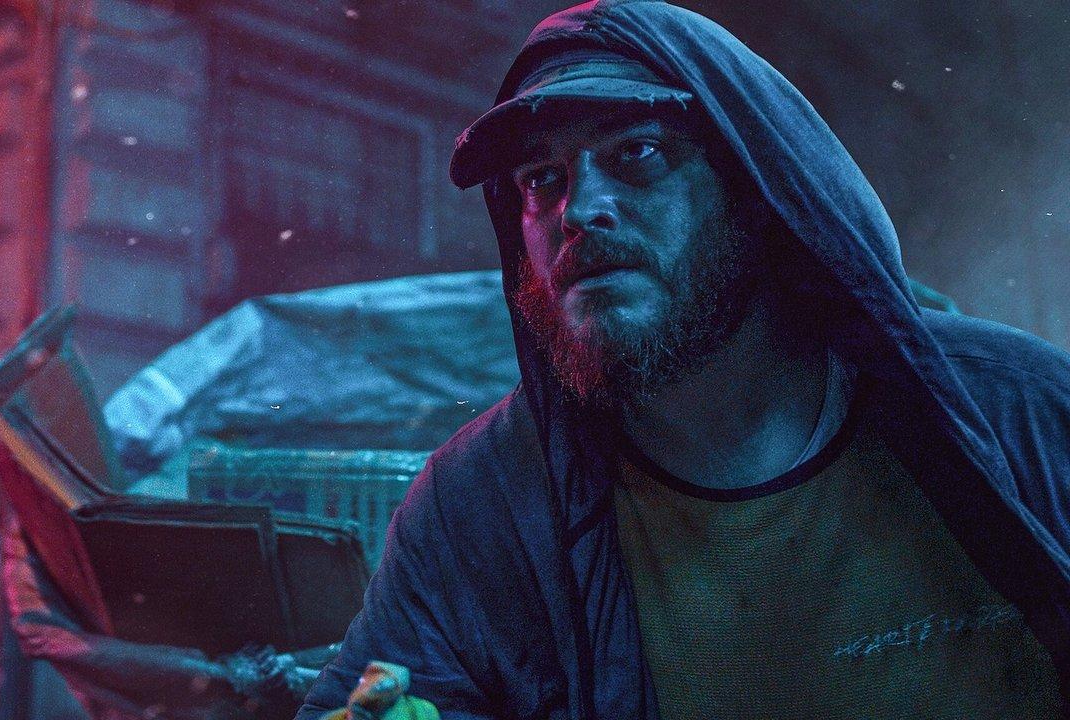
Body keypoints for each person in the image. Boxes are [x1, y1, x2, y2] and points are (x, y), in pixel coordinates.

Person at [297, 1, 1070, 718]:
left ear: (756, 191)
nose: (579, 209)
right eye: (542, 178)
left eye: (637, 152)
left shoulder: (1022, 413)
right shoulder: (482, 504)